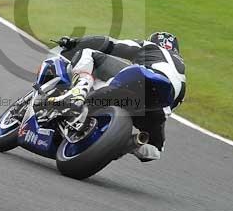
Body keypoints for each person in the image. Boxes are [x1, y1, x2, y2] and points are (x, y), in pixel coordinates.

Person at [48, 33, 187, 162]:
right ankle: (131, 143)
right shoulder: (181, 75)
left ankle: (79, 90)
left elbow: (110, 44)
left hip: (141, 78)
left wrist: (74, 42)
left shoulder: (150, 46)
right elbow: (152, 154)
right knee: (154, 150)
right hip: (157, 106)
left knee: (88, 52)